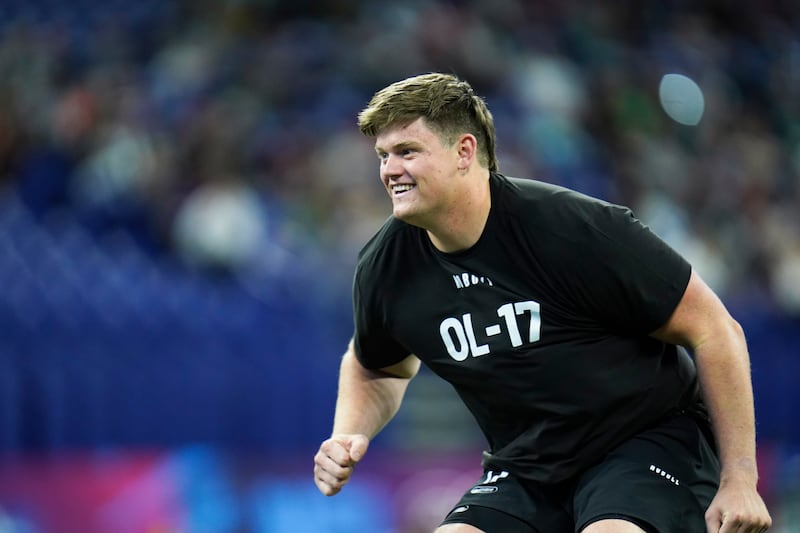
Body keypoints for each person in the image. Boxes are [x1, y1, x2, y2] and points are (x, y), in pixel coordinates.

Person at [312, 72, 772, 532]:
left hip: (645, 442)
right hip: (527, 467)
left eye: (407, 152)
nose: (389, 170)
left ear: (464, 152)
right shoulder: (385, 266)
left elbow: (714, 329)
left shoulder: (574, 230)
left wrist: (740, 478)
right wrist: (348, 433)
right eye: (383, 156)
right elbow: (375, 365)